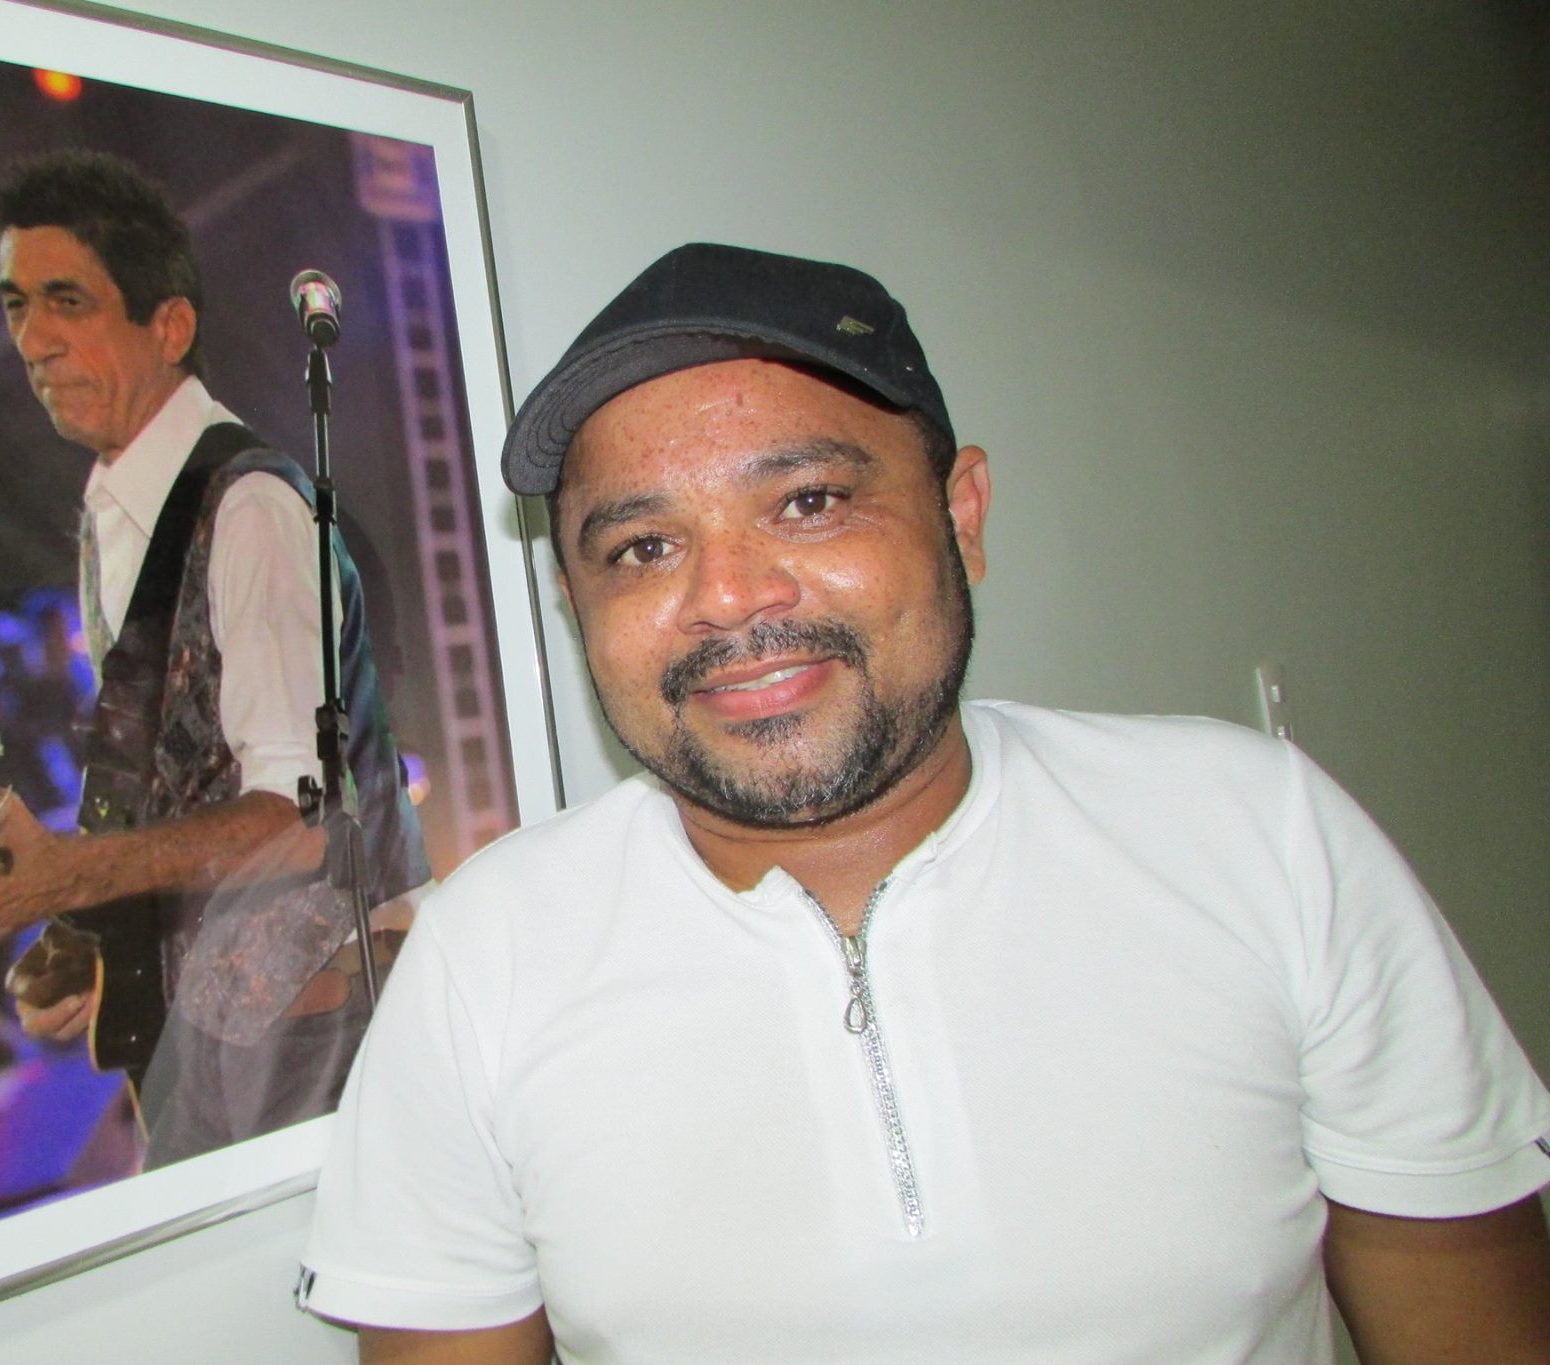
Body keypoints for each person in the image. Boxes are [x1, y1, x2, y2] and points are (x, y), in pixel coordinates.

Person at [298, 243, 1550, 1362]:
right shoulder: (486, 959)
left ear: (961, 517)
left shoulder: (1254, 835)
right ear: (577, 607)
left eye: (807, 502)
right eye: (643, 548)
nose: (727, 595)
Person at [0, 150, 428, 1163]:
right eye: (17, 305)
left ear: (170, 326)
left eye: (68, 301)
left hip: (311, 1033)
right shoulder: (121, 513)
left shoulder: (251, 509)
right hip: (224, 1038)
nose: (34, 339)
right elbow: (184, 788)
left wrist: (62, 877)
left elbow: (300, 822)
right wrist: (88, 934)